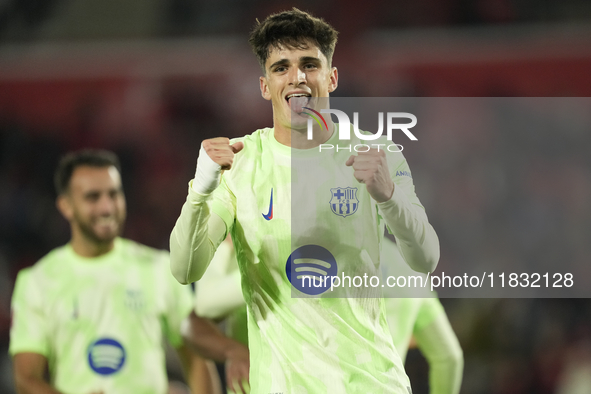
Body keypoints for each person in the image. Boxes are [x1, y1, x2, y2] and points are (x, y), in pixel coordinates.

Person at [170, 8, 439, 393]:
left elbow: (426, 258)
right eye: (281, 67)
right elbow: (185, 270)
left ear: (331, 77)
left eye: (309, 64)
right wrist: (200, 189)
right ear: (265, 85)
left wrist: (389, 197)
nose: (297, 77)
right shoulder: (241, 164)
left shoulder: (376, 153)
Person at [9, 149, 216, 394]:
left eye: (114, 194)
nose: (107, 207)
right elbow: (26, 379)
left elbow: (197, 358)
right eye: (93, 197)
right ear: (66, 206)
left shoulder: (160, 268)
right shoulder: (37, 282)